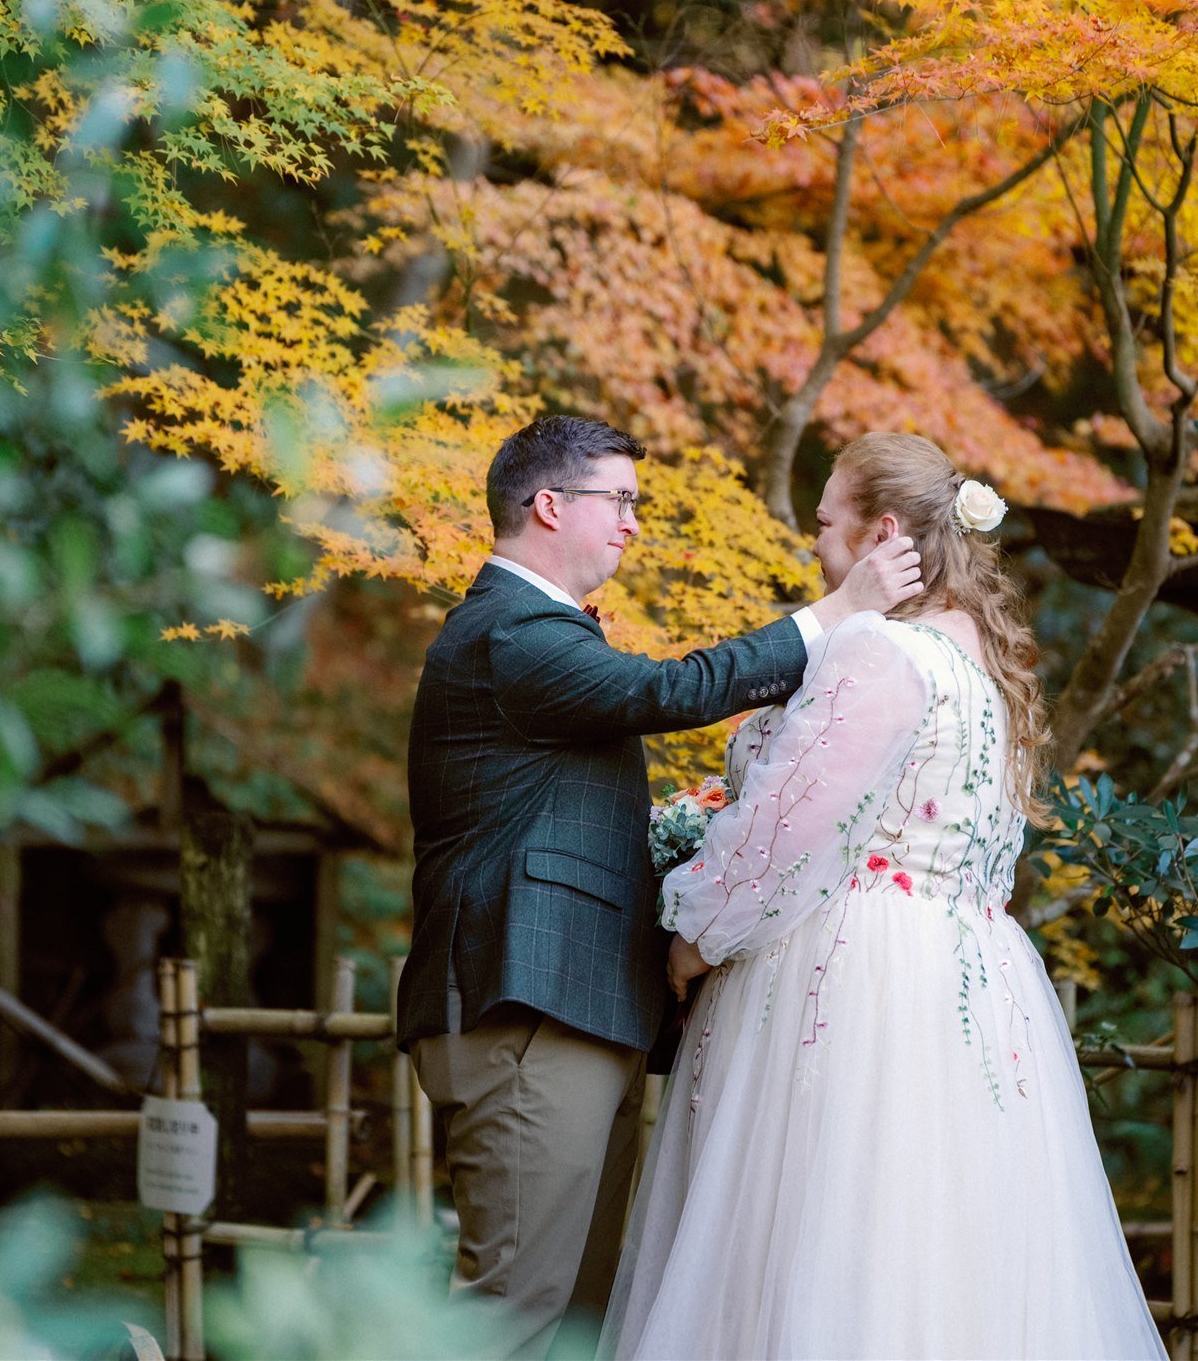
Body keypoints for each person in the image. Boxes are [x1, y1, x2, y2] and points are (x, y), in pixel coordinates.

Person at [602, 432, 1167, 1360]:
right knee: (935, 1245)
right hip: (971, 977)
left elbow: (791, 826)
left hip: (851, 973)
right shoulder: (986, 668)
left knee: (812, 1230)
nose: (815, 542)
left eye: (827, 523)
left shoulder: (878, 649)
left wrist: (693, 935)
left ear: (885, 533)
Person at [396, 416, 924, 1358]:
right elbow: (670, 693)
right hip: (524, 1009)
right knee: (508, 1315)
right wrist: (837, 614)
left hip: (579, 1013)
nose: (635, 523)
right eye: (622, 500)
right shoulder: (504, 631)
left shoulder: (537, 634)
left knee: (579, 1322)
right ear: (550, 505)